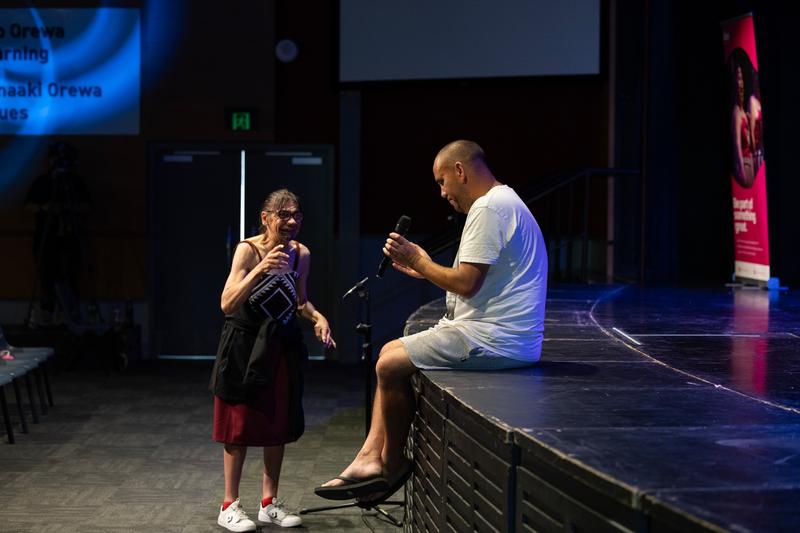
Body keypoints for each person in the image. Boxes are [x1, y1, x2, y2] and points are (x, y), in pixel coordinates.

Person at [314, 140, 547, 505]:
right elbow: (480, 280)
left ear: (460, 171)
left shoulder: (489, 208)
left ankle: (389, 463)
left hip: (495, 338)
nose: (442, 193)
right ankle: (370, 457)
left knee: (389, 363)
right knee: (390, 351)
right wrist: (427, 273)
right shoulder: (504, 202)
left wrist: (421, 260)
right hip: (496, 333)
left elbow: (468, 284)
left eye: (442, 182)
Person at [210, 189, 336, 531]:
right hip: (243, 345)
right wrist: (260, 269)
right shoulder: (247, 250)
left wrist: (317, 317)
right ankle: (229, 505)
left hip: (279, 343)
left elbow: (299, 300)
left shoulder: (301, 254)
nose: (291, 221)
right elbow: (227, 303)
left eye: (296, 215)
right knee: (237, 426)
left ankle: (269, 503)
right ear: (265, 218)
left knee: (277, 422)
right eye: (283, 214)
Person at [24, 141, 91, 326]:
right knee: (46, 275)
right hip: (46, 238)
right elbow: (27, 206)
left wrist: (68, 208)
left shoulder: (75, 183)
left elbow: (87, 206)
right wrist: (44, 207)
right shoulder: (42, 182)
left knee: (70, 274)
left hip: (70, 238)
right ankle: (47, 312)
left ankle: (68, 313)